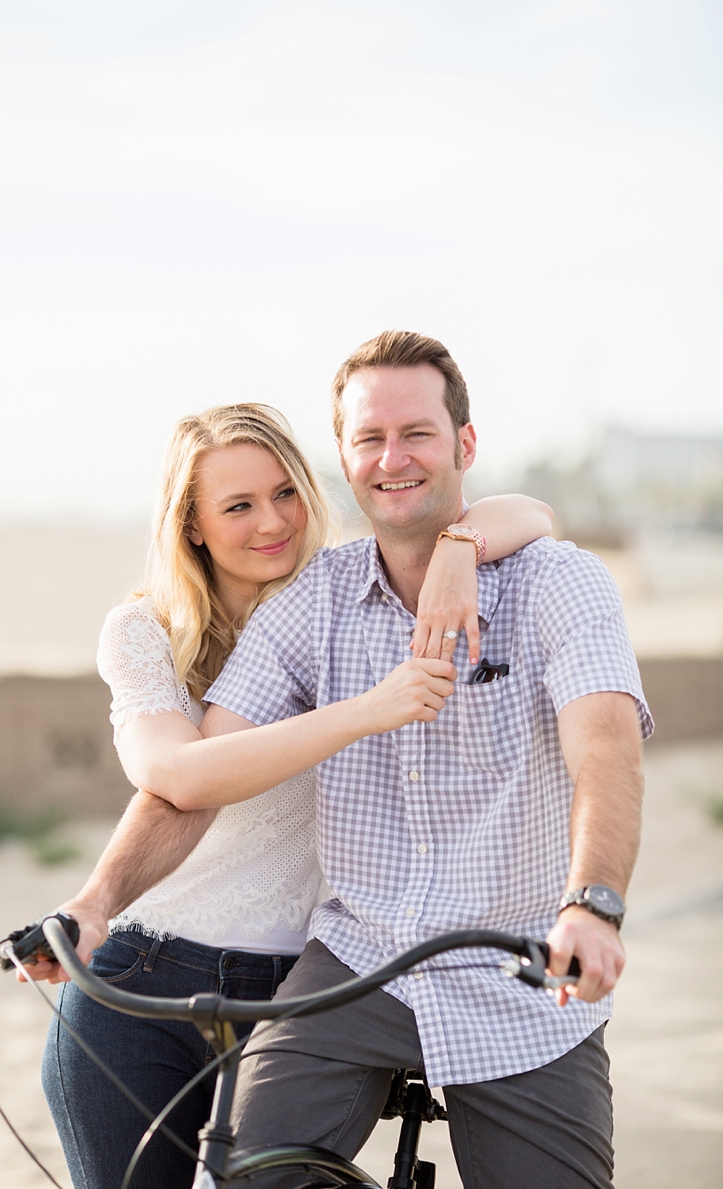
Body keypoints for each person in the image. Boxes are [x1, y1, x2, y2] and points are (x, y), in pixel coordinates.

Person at [57, 331, 649, 1188]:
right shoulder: (311, 601)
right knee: (252, 1171)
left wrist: (592, 904)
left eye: (417, 433)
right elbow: (199, 776)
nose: (392, 457)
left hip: (521, 969)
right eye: (369, 438)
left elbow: (606, 748)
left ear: (466, 444)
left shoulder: (561, 582)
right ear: (344, 455)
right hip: (356, 959)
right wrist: (96, 901)